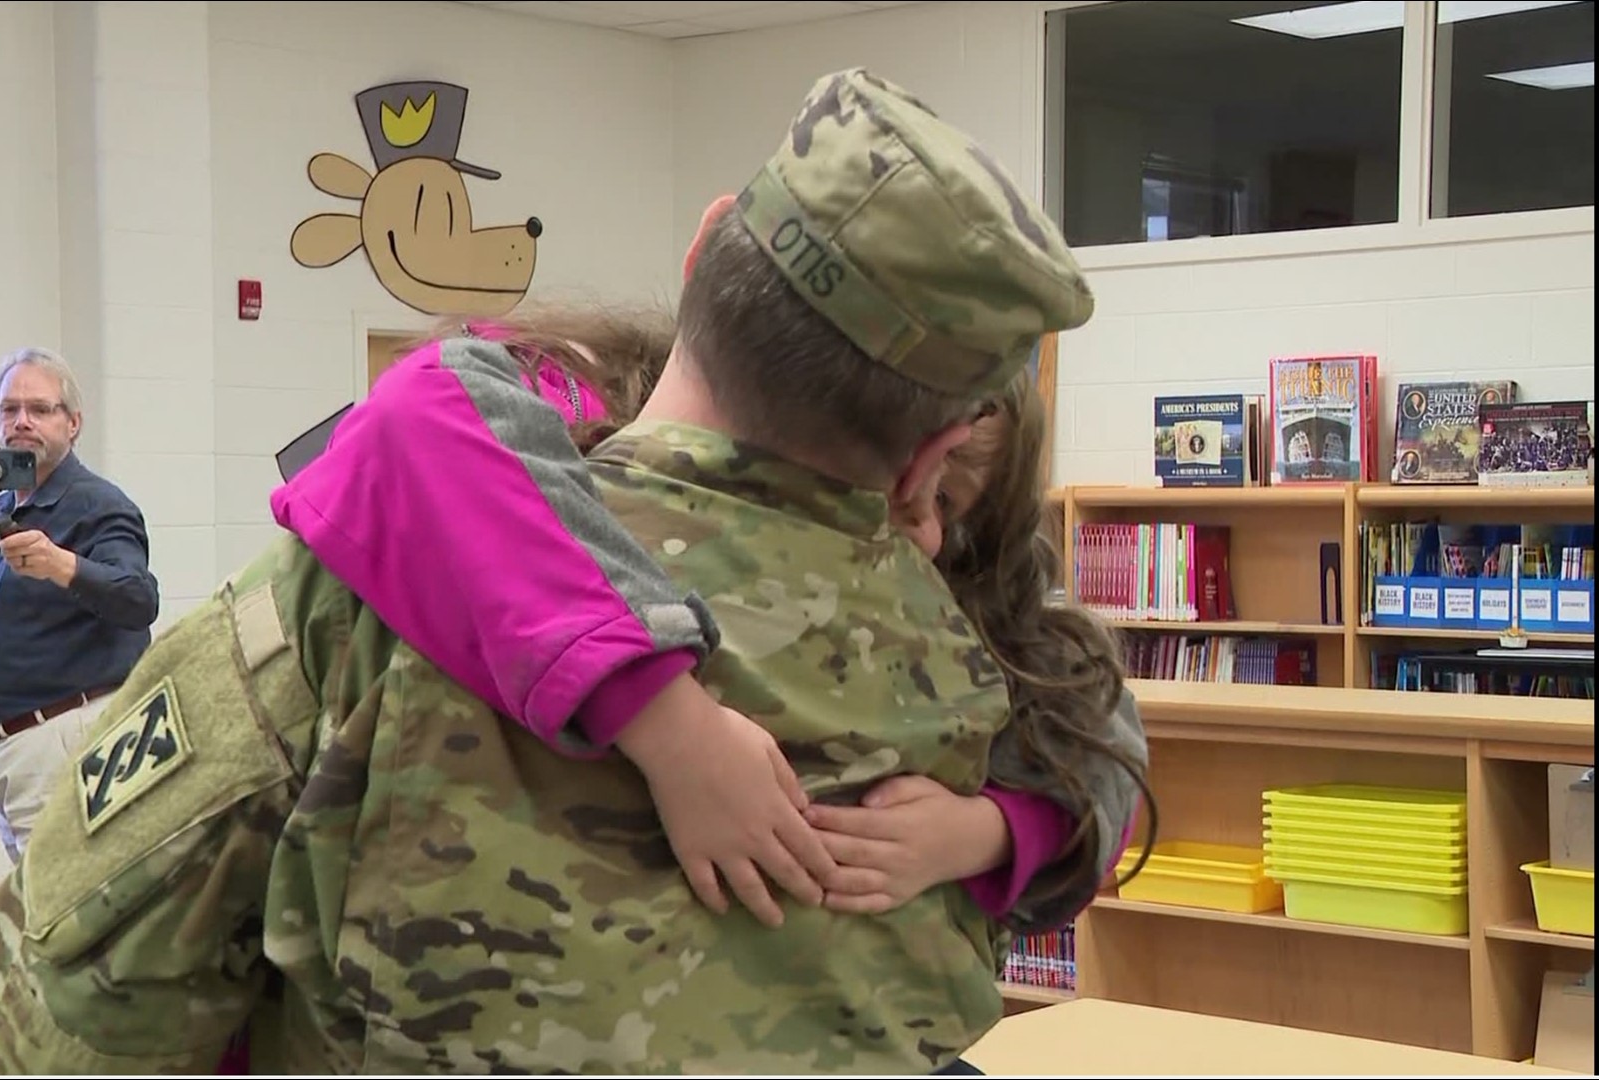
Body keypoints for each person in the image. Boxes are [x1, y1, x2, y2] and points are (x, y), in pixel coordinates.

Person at [0, 68, 1104, 1073]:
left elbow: (66, 1015)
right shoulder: (981, 668)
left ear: (703, 244)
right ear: (943, 449)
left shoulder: (383, 581)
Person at [271, 307, 1148, 935]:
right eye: (890, 470)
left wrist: (984, 833)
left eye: (946, 497)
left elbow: (1094, 732)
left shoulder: (971, 590)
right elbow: (423, 408)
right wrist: (670, 726)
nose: (909, 515)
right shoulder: (631, 422)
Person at [0, 347, 161, 863]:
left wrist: (61, 566)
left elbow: (138, 598)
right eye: (9, 409)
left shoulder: (97, 505)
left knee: (65, 910)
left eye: (40, 409)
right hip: (9, 749)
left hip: (63, 740)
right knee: (34, 910)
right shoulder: (10, 501)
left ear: (73, 423)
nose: (22, 421)